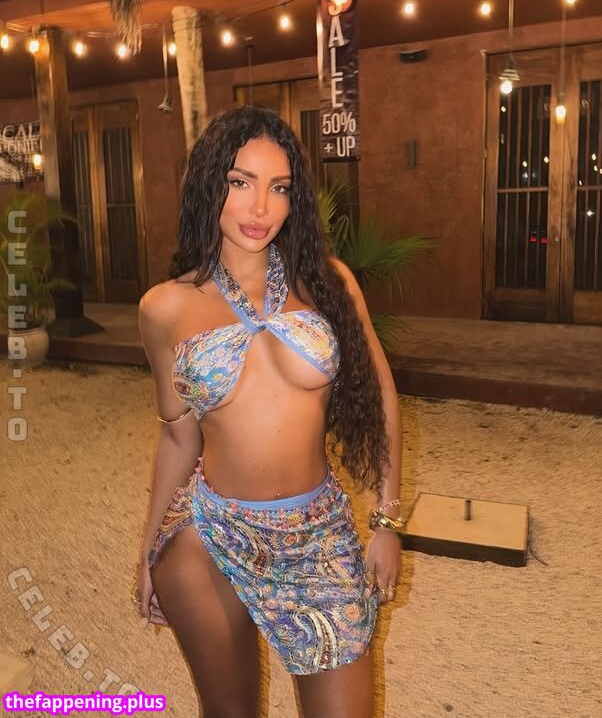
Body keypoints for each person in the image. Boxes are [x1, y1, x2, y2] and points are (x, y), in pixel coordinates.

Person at [133, 105, 403, 718]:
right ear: (209, 186)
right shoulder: (164, 308)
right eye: (241, 182)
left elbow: (383, 396)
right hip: (210, 536)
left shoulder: (329, 283)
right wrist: (148, 551)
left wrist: (387, 520)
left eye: (278, 188)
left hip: (318, 536)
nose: (260, 208)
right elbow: (177, 438)